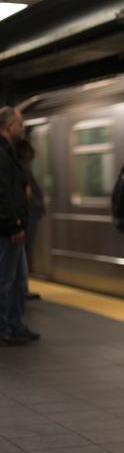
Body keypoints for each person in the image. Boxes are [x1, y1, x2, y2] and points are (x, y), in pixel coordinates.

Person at [0, 107, 39, 346]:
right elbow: (3, 194)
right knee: (5, 281)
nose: (22, 129)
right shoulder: (2, 154)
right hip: (7, 229)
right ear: (8, 127)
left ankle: (15, 324)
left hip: (15, 227)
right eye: (20, 124)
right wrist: (13, 224)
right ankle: (4, 328)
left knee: (17, 280)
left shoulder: (9, 152)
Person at [16, 138, 45, 301]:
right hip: (29, 215)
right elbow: (27, 194)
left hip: (29, 214)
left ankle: (23, 287)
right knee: (25, 252)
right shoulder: (22, 169)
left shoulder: (22, 168)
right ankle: (22, 288)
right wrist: (38, 206)